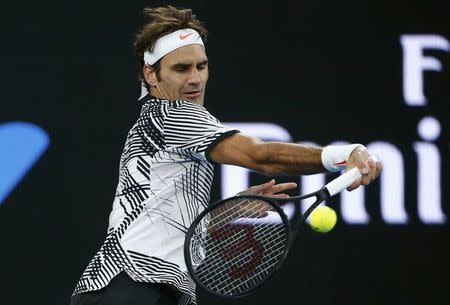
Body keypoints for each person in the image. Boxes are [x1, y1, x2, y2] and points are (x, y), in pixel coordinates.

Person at [70, 5, 382, 305]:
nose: (195, 79)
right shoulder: (173, 115)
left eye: (201, 66)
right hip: (133, 286)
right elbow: (261, 157)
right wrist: (345, 154)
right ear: (151, 75)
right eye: (181, 68)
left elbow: (159, 221)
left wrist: (232, 211)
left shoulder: (156, 121)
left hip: (133, 289)